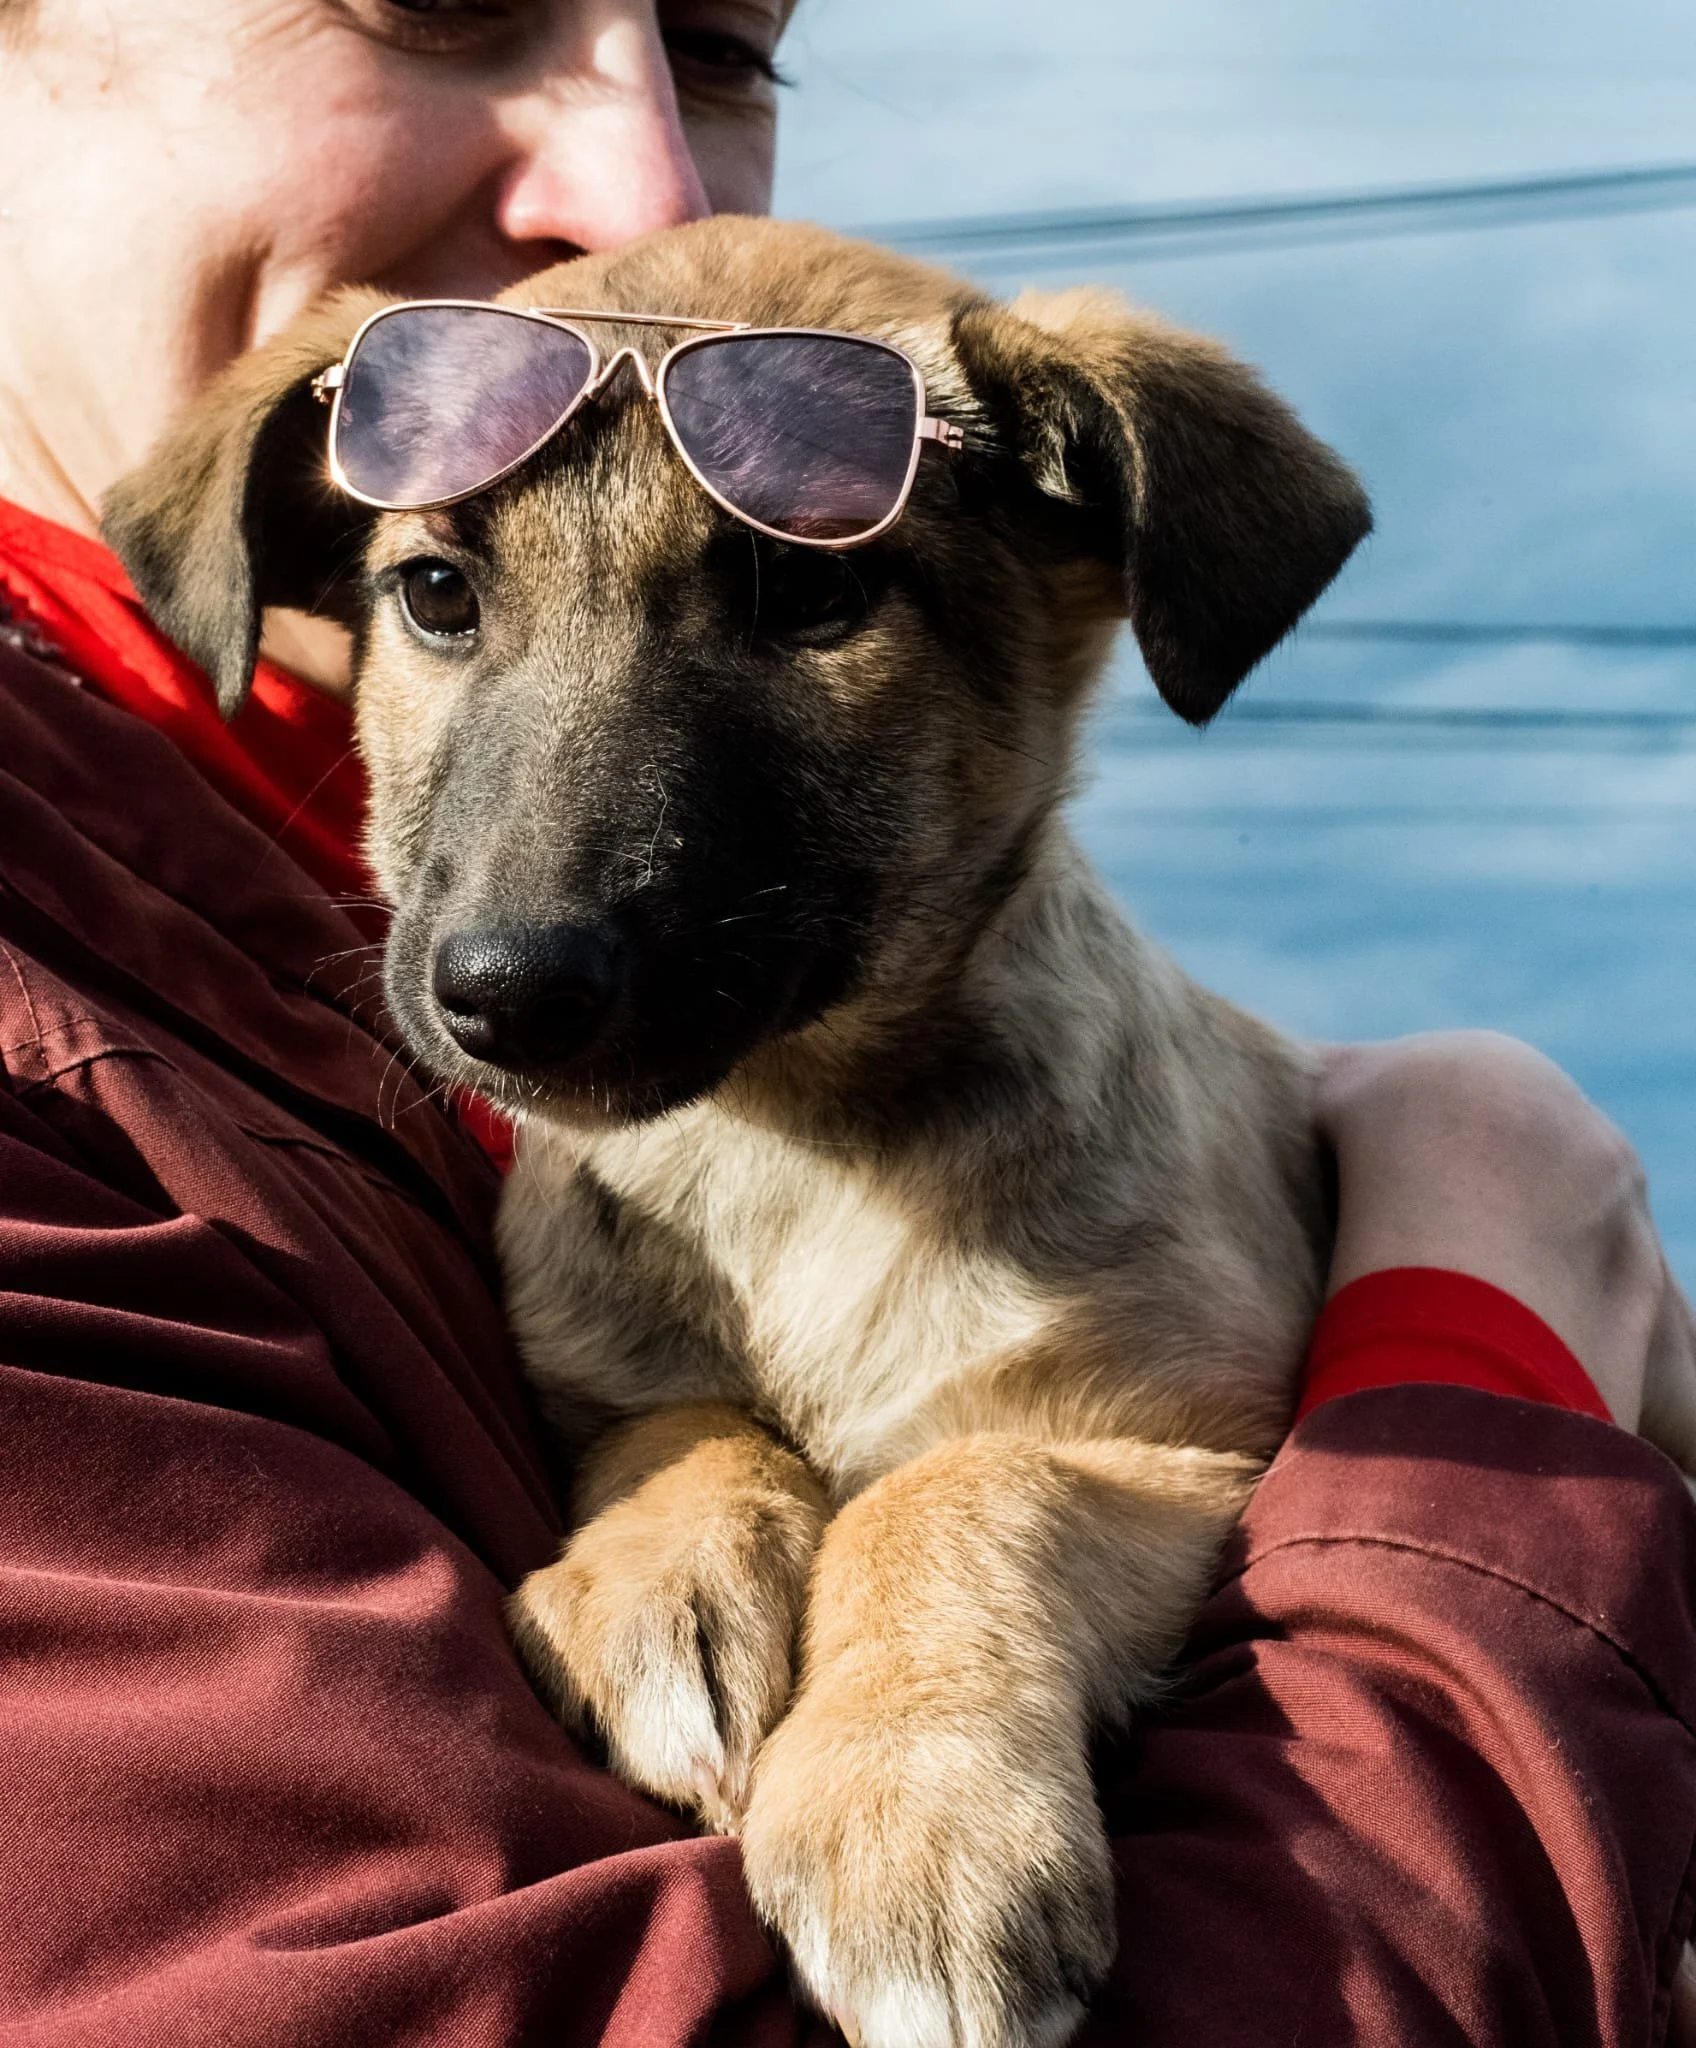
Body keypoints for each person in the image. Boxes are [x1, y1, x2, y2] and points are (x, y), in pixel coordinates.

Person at [0, 5, 1692, 2042]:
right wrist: (1466, 1360)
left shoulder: (261, 944)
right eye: (440, 4)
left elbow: (1143, 1431)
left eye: (717, 46)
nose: (645, 189)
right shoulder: (76, 1002)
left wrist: (939, 1554)